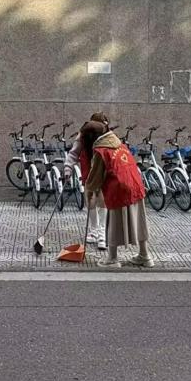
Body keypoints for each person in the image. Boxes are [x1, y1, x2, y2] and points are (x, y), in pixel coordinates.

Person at [82, 120, 154, 268]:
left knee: (113, 223)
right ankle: (145, 256)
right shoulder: (119, 144)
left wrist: (89, 191)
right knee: (139, 221)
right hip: (135, 185)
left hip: (118, 188)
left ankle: (113, 259)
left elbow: (95, 176)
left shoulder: (101, 151)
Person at [63, 112, 110, 251]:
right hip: (88, 171)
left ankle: (102, 234)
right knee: (90, 200)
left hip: (102, 171)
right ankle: (94, 230)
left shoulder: (108, 136)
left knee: (102, 200)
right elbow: (74, 153)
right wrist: (68, 168)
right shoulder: (83, 135)